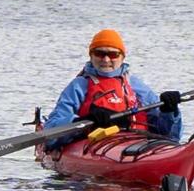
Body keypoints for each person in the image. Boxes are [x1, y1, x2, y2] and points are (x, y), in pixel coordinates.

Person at [45, 29, 183, 139]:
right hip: (94, 142)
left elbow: (169, 135)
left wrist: (169, 111)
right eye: (99, 53)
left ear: (122, 57)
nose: (105, 60)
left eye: (113, 55)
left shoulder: (135, 85)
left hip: (137, 141)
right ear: (91, 56)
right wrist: (83, 121)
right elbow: (52, 128)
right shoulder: (79, 86)